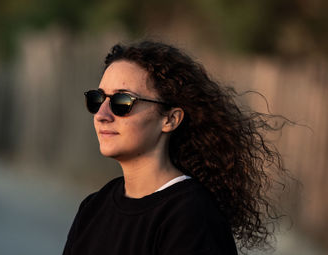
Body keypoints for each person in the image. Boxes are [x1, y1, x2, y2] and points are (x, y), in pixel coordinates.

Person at [63, 41, 288, 255]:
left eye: (122, 101)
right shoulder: (93, 208)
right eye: (97, 99)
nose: (102, 115)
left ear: (170, 119)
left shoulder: (191, 217)